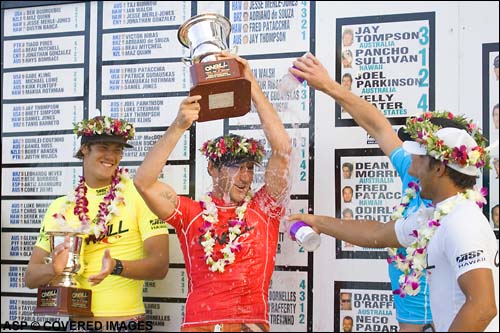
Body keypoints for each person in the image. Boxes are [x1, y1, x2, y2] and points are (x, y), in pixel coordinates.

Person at [290, 54, 475, 331]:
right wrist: (329, 86)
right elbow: (378, 126)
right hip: (408, 317)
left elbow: (482, 306)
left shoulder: (459, 217)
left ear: (438, 167)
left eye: (417, 154)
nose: (407, 158)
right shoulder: (415, 174)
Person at [134, 51, 291, 332]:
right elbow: (144, 182)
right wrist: (178, 126)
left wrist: (250, 84)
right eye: (235, 167)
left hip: (248, 326)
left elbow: (282, 150)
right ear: (213, 169)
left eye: (249, 168)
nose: (245, 177)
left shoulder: (264, 207)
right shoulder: (191, 214)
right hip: (198, 326)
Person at [288, 124, 498, 330]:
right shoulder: (436, 215)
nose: (413, 171)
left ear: (439, 169)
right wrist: (318, 223)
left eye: (420, 161)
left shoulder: (462, 222)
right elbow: (377, 233)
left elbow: (482, 307)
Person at [24, 116, 169, 329]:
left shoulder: (140, 195)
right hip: (76, 325)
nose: (111, 156)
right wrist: (53, 269)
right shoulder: (59, 207)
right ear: (85, 149)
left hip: (125, 323)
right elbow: (30, 277)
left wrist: (116, 267)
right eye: (103, 147)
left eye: (118, 150)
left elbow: (159, 265)